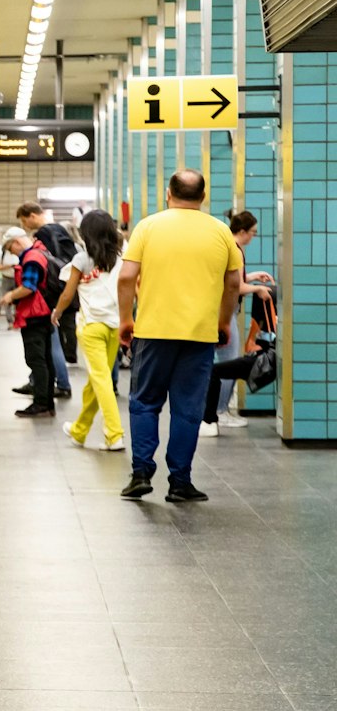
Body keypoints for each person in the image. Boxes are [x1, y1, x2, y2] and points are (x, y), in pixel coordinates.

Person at [117, 169, 243, 503]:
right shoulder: (220, 231)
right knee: (188, 409)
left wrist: (125, 319)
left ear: (167, 193)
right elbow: (233, 283)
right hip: (200, 335)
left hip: (153, 332)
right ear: (203, 198)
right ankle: (180, 482)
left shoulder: (148, 226)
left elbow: (127, 277)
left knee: (144, 403)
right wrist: (224, 321)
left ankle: (141, 474)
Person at [52, 210, 125, 452]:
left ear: (86, 233)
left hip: (92, 326)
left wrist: (57, 312)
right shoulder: (122, 257)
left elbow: (68, 293)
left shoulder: (81, 260)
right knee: (96, 381)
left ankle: (114, 435)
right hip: (115, 326)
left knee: (100, 379)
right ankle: (79, 430)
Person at [200, 209, 276, 434]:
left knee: (225, 361)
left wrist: (252, 277)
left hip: (220, 311)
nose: (254, 236)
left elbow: (235, 279)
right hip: (225, 313)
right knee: (229, 363)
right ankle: (220, 411)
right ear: (242, 231)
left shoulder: (229, 246)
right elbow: (235, 286)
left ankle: (220, 409)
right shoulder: (235, 249)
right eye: (252, 232)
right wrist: (258, 289)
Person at [15, 203, 76, 399]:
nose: (25, 226)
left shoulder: (45, 234)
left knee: (52, 342)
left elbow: (50, 265)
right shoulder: (59, 229)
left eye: (25, 221)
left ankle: (63, 384)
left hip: (51, 294)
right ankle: (36, 380)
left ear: (32, 216)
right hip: (63, 290)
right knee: (49, 341)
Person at [0, 226, 56, 417]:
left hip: (35, 315)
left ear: (16, 242)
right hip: (44, 314)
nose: (12, 253)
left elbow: (29, 287)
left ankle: (40, 403)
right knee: (45, 359)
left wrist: (10, 295)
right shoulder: (41, 252)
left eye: (10, 248)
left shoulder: (31, 258)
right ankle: (47, 404)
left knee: (36, 360)